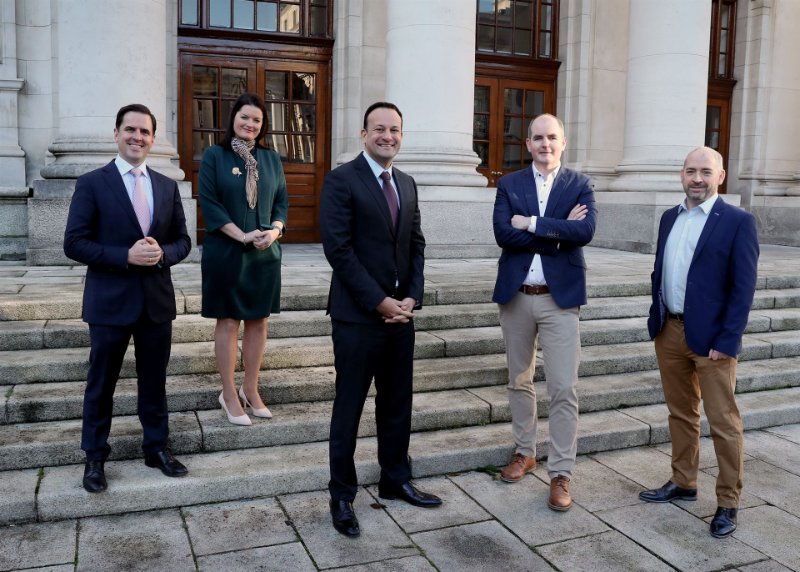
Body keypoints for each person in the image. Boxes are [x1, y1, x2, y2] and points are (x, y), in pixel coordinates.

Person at [320, 101, 441, 538]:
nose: (387, 136)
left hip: (401, 318)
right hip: (358, 318)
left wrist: (411, 297)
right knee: (348, 408)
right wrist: (379, 302)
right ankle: (341, 494)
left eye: (394, 130)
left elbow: (416, 244)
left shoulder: (406, 183)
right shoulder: (341, 180)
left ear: (401, 136)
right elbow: (338, 250)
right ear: (364, 134)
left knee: (397, 404)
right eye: (379, 129)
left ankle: (395, 478)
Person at [64, 103, 192, 493]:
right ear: (116, 133)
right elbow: (74, 243)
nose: (138, 137)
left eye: (145, 132)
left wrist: (161, 254)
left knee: (154, 382)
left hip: (155, 302)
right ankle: (94, 458)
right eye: (131, 130)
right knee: (101, 383)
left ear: (153, 139)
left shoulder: (167, 186)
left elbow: (184, 241)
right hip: (109, 302)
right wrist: (125, 256)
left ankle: (156, 448)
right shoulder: (92, 183)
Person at [639, 146, 759, 539]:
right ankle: (683, 481)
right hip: (670, 331)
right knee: (680, 413)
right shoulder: (669, 217)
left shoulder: (738, 222)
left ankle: (728, 502)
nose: (697, 179)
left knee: (724, 423)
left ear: (720, 176)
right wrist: (656, 318)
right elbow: (662, 271)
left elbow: (742, 289)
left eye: (706, 171)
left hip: (713, 341)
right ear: (681, 174)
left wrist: (728, 339)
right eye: (691, 171)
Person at [492, 113, 596, 511]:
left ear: (563, 142)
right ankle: (525, 451)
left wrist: (533, 224)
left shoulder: (580, 184)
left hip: (559, 298)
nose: (545, 144)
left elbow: (584, 233)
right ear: (529, 143)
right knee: (519, 380)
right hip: (517, 295)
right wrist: (556, 232)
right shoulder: (509, 183)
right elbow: (504, 233)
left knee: (563, 387)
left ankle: (561, 473)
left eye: (552, 137)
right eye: (538, 138)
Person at [198, 92, 288, 426]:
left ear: (262, 127)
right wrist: (242, 235)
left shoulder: (271, 159)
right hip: (226, 251)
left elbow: (281, 202)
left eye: (256, 120)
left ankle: (250, 387)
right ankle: (228, 393)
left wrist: (275, 231)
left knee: (258, 320)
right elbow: (209, 204)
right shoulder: (214, 156)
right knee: (228, 321)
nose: (250, 124)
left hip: (265, 253)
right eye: (244, 117)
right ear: (233, 118)